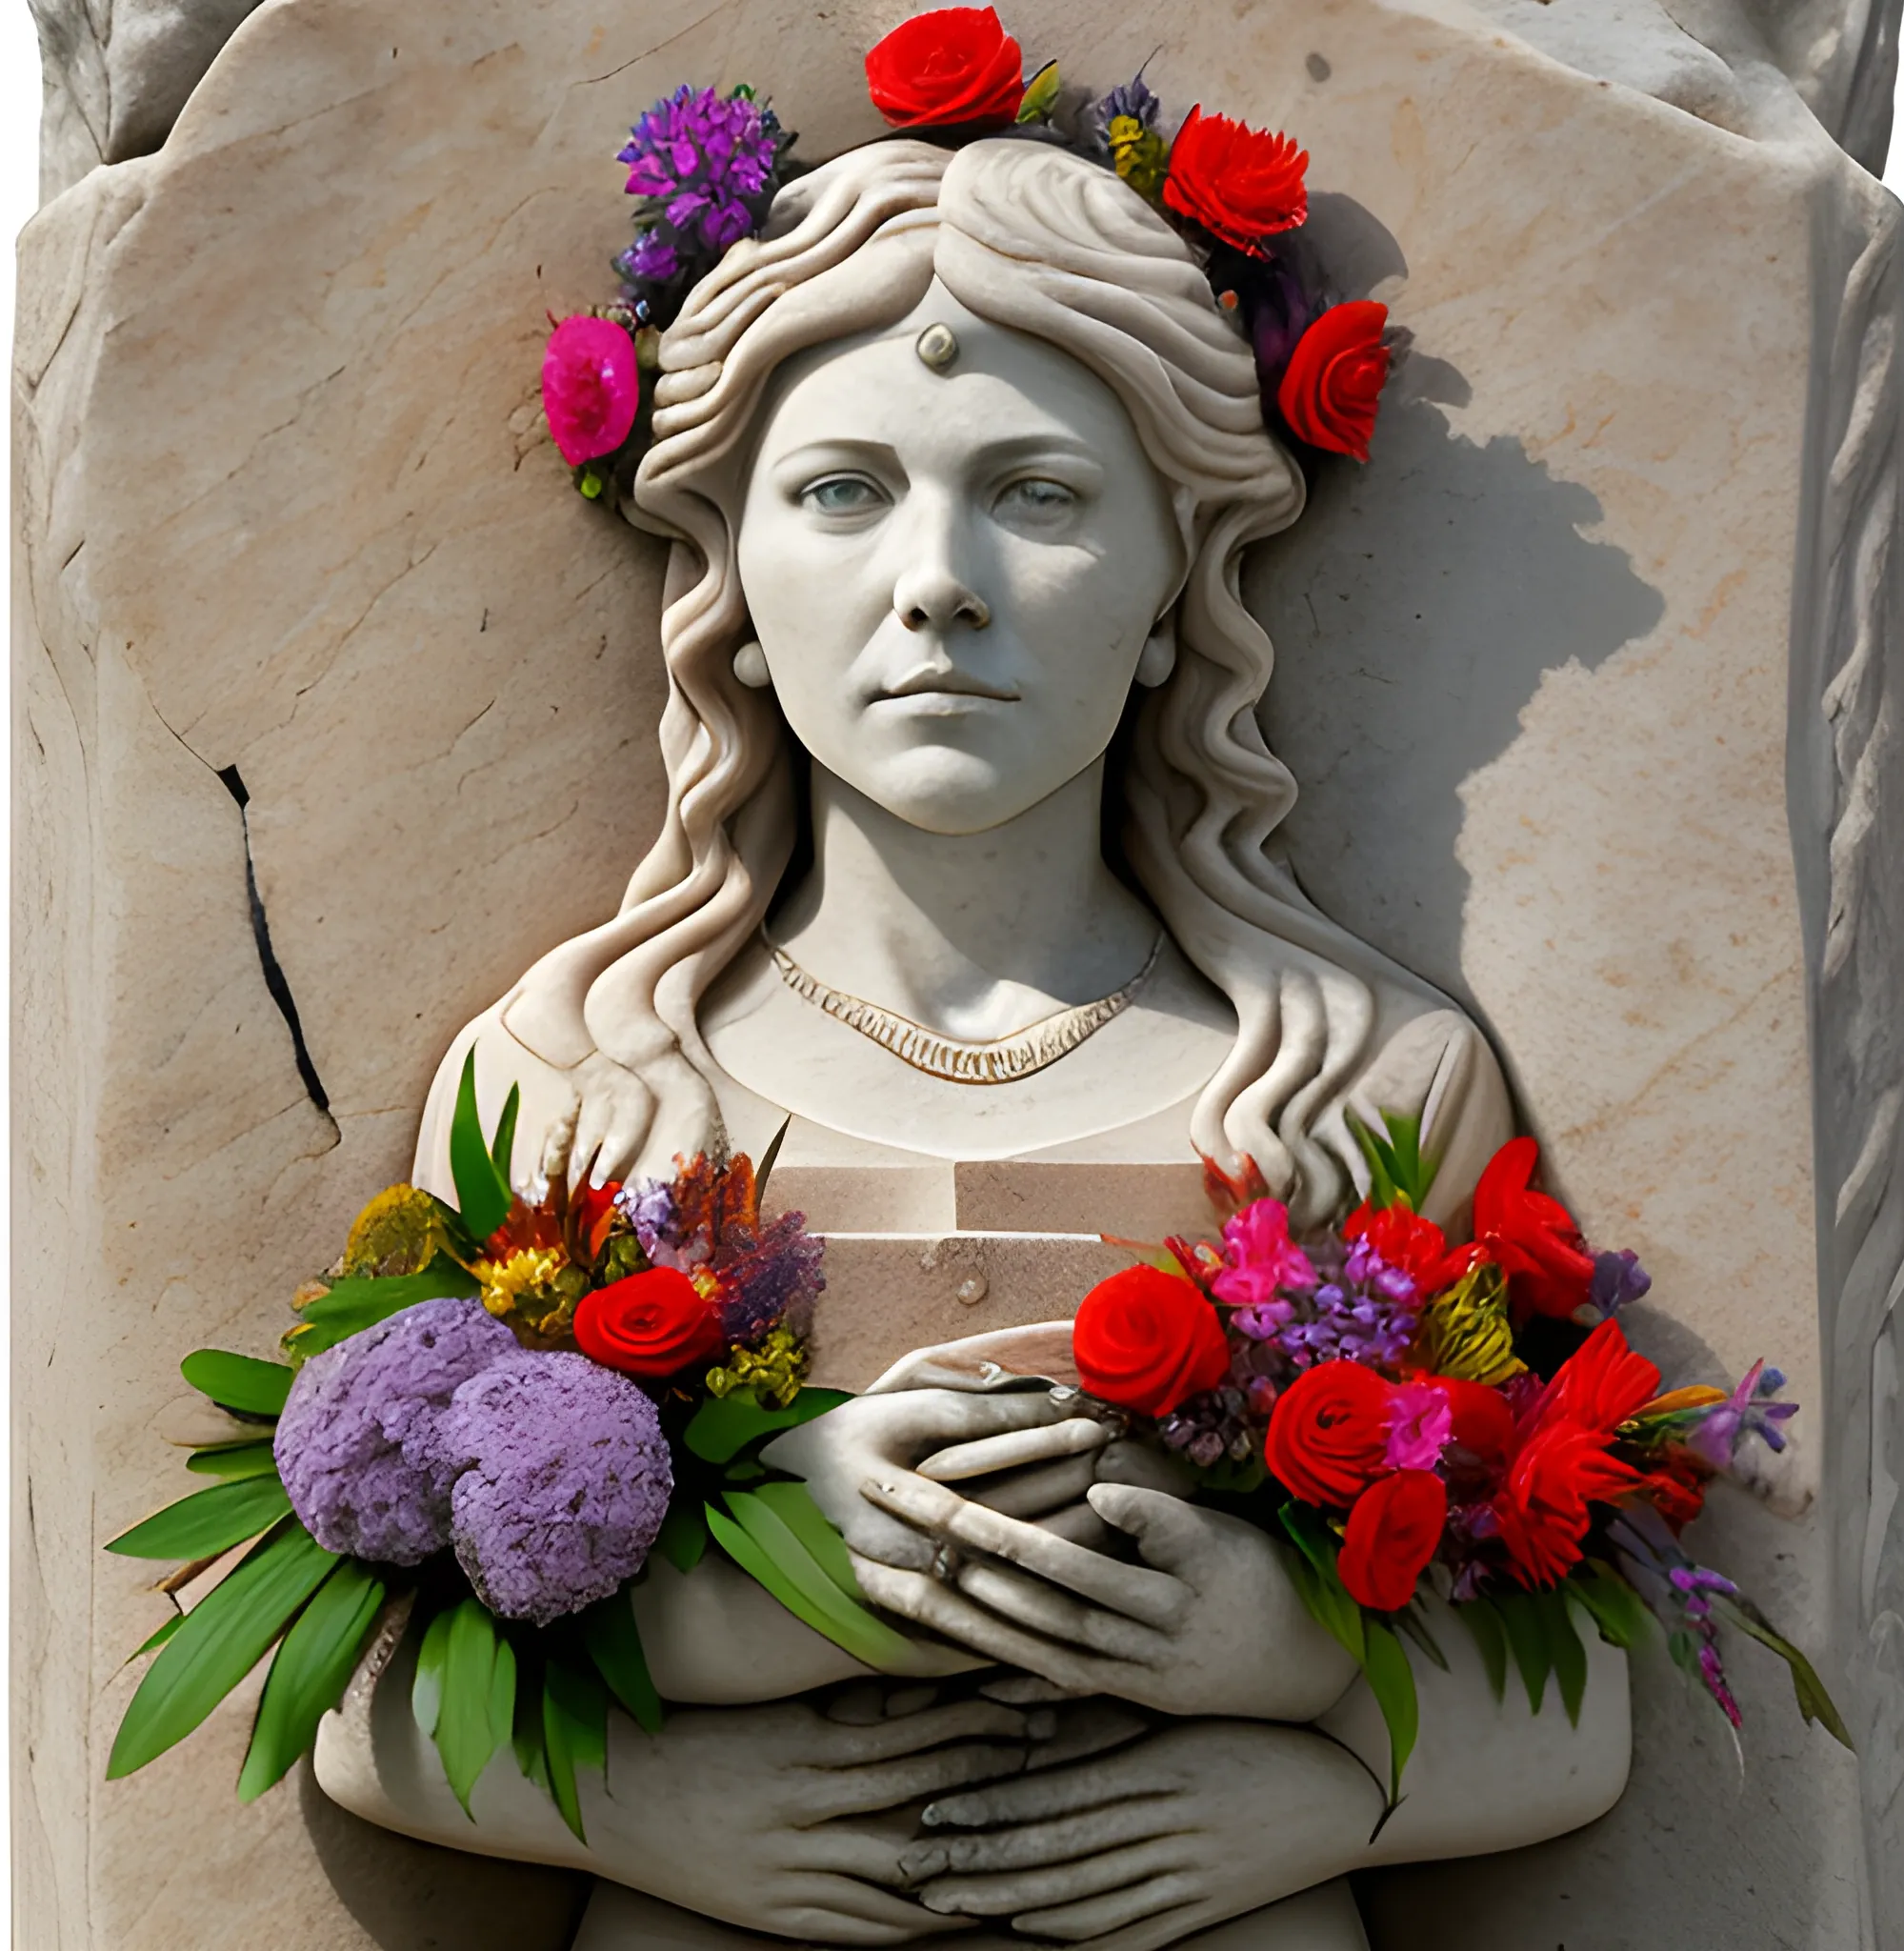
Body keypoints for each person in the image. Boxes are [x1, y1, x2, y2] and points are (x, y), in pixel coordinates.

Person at [315, 135, 1628, 1949]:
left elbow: (1576, 1704)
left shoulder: (1365, 1089)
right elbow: (354, 1697)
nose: (939, 583)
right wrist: (641, 1808)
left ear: (1180, 585)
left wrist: (1310, 1732)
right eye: (845, 491)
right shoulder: (575, 1083)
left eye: (1038, 494)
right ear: (733, 589)